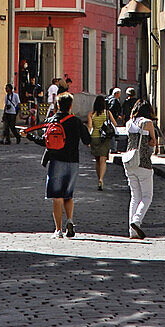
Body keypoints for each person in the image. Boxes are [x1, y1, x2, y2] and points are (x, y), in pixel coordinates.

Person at [24, 91, 90, 238]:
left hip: (56, 162)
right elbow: (87, 140)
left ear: (58, 105)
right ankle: (70, 220)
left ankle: (58, 230)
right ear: (71, 106)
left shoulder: (51, 120)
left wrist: (29, 135)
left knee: (57, 197)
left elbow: (44, 141)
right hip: (73, 162)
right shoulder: (77, 121)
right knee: (68, 196)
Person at [124, 98, 158, 239]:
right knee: (147, 196)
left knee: (134, 196)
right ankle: (137, 220)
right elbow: (153, 142)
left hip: (130, 162)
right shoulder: (147, 123)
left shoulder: (129, 123)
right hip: (143, 163)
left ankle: (132, 232)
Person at [87, 95, 116, 190]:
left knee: (97, 160)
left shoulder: (91, 114)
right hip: (105, 138)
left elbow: (90, 127)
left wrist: (88, 139)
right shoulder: (107, 113)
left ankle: (98, 177)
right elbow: (114, 124)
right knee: (103, 160)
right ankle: (101, 179)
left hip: (95, 137)